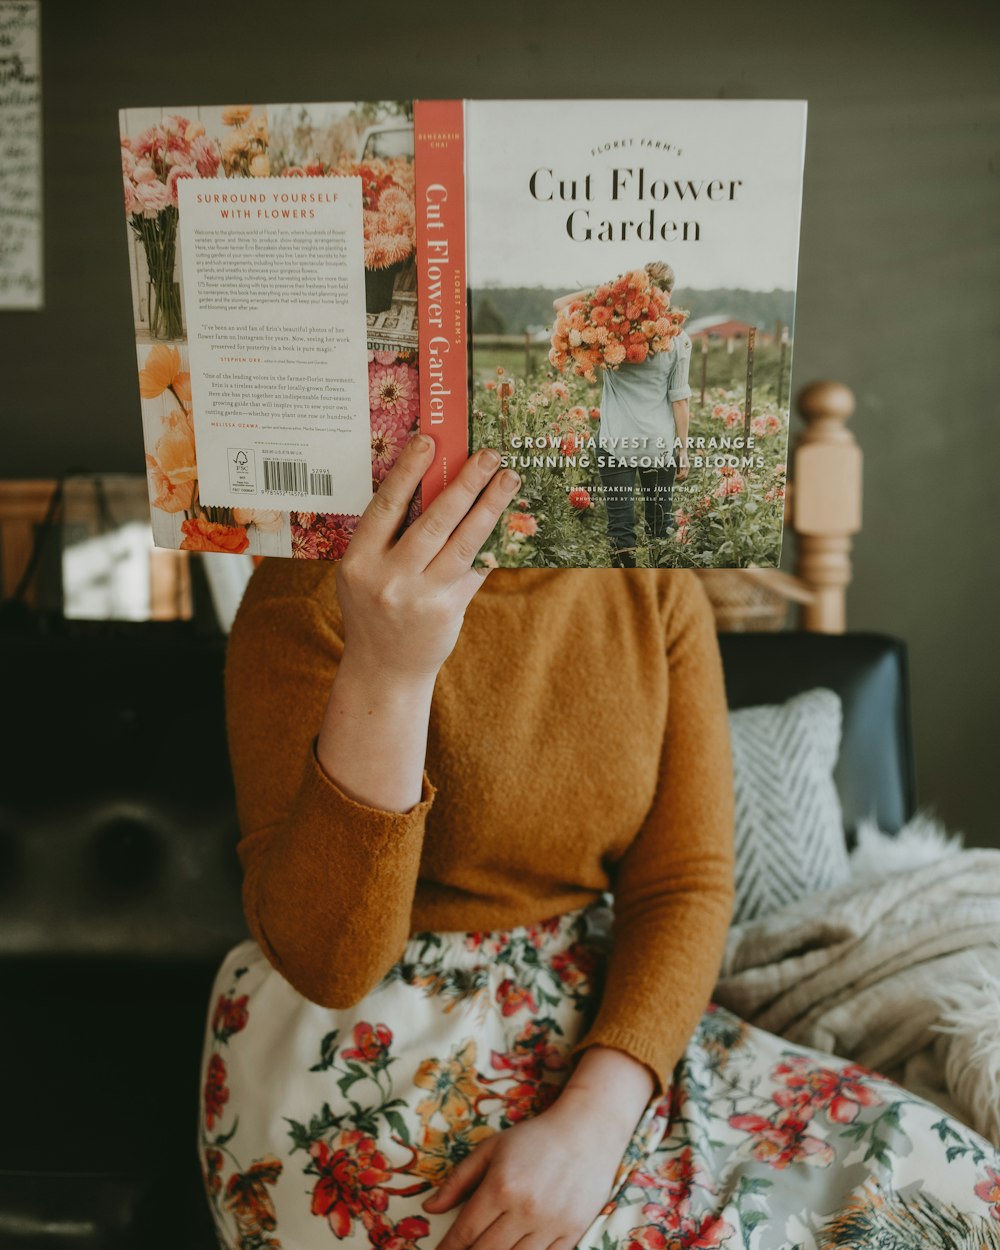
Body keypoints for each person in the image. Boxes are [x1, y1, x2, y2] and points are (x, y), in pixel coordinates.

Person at [200, 436, 1000, 1250]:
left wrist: (595, 1120)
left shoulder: (650, 582)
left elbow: (683, 884)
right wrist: (389, 671)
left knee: (958, 1195)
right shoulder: (304, 593)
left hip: (608, 1027)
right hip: (365, 1049)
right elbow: (332, 967)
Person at [554, 261, 692, 568]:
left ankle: (624, 594)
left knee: (620, 529)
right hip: (657, 445)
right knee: (660, 526)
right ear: (668, 293)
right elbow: (679, 400)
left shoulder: (607, 332)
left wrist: (603, 294)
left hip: (616, 442)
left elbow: (560, 305)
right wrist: (682, 449)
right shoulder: (679, 339)